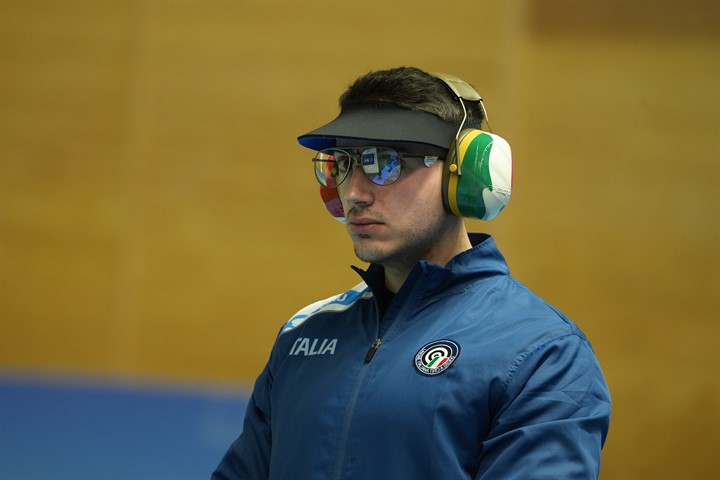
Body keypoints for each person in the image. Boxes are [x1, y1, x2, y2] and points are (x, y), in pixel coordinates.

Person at [212, 66, 611, 479]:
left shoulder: (543, 353)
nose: (353, 193)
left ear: (466, 175)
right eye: (344, 163)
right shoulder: (306, 333)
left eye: (386, 163)